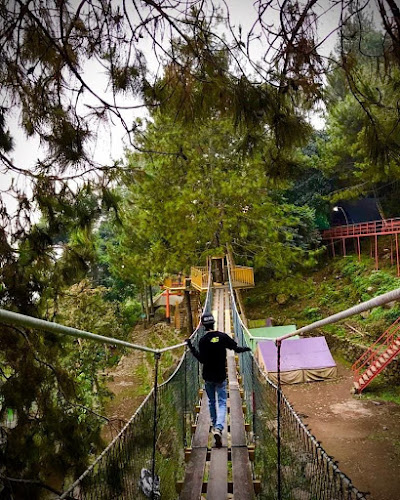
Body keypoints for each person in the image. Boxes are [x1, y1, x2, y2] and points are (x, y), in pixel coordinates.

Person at [186, 313, 251, 447]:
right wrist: (246, 348)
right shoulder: (222, 337)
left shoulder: (203, 340)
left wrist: (191, 347)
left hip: (208, 377)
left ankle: (215, 425)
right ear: (214, 323)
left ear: (203, 325)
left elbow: (201, 359)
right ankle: (219, 427)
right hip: (221, 376)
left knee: (211, 402)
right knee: (222, 402)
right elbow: (236, 348)